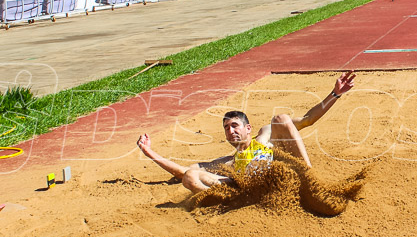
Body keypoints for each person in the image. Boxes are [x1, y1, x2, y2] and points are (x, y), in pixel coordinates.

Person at [137, 72, 356, 194]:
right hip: (247, 190)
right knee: (190, 176)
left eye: (234, 126)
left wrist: (334, 94)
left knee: (280, 118)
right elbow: (183, 171)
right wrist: (149, 152)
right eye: (226, 128)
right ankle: (228, 205)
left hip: (285, 180)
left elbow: (308, 119)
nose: (230, 131)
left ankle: (310, 178)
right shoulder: (228, 161)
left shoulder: (266, 136)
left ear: (248, 128)